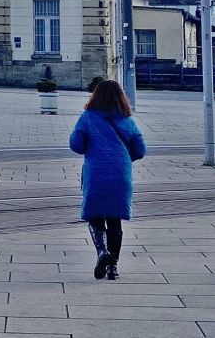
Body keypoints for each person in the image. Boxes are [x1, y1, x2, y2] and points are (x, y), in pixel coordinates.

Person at [68, 79, 146, 281]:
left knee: (95, 217)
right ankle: (113, 268)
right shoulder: (127, 119)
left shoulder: (88, 117)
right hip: (120, 174)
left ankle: (102, 252)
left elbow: (76, 145)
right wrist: (124, 159)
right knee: (115, 221)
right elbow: (140, 149)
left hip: (96, 174)